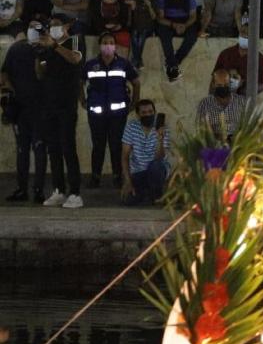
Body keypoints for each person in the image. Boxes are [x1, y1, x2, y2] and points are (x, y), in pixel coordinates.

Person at [34, 17, 84, 208]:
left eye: (56, 24)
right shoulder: (48, 47)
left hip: (66, 104)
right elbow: (40, 73)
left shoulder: (74, 40)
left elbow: (75, 59)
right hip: (49, 104)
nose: (53, 28)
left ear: (66, 26)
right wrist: (38, 55)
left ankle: (75, 193)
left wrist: (54, 45)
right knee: (53, 148)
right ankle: (59, 190)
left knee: (68, 147)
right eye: (51, 25)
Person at [83, 31, 140, 188]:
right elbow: (79, 81)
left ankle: (117, 177)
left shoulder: (124, 64)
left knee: (116, 146)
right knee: (98, 146)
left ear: (115, 46)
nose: (108, 45)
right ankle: (95, 178)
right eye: (105, 43)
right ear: (100, 45)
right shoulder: (90, 64)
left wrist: (134, 103)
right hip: (96, 114)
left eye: (111, 43)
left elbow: (136, 83)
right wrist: (82, 100)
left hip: (118, 115)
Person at [1, 19, 40, 201]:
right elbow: (4, 74)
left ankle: (38, 190)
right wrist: (11, 91)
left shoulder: (44, 49)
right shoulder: (16, 49)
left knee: (38, 149)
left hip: (38, 108)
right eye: (31, 27)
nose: (33, 30)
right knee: (23, 150)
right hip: (22, 108)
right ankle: (24, 189)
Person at [120, 99, 171, 206]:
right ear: (138, 115)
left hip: (157, 170)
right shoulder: (131, 126)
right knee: (128, 200)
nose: (148, 115)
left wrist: (160, 139)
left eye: (150, 112)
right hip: (139, 172)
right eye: (144, 113)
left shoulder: (162, 128)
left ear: (154, 112)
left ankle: (156, 195)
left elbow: (160, 157)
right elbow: (125, 156)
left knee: (156, 166)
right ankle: (149, 193)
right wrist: (128, 182)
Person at [154, 0, 199, 81]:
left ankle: (172, 64)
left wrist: (185, 25)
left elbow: (193, 16)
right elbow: (160, 18)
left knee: (192, 37)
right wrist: (173, 25)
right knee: (164, 35)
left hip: (185, 22)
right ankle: (173, 65)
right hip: (168, 22)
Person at [213, 26, 263, 97]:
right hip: (223, 97)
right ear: (239, 33)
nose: (245, 35)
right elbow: (214, 77)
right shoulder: (225, 54)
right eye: (243, 32)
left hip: (247, 98)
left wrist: (245, 91)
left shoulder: (261, 60)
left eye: (249, 34)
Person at [196, 69, 247, 144]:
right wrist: (217, 138)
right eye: (219, 85)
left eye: (226, 85)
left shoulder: (241, 101)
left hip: (237, 143)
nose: (223, 87)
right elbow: (200, 129)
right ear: (213, 84)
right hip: (214, 145)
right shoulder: (205, 104)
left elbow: (247, 126)